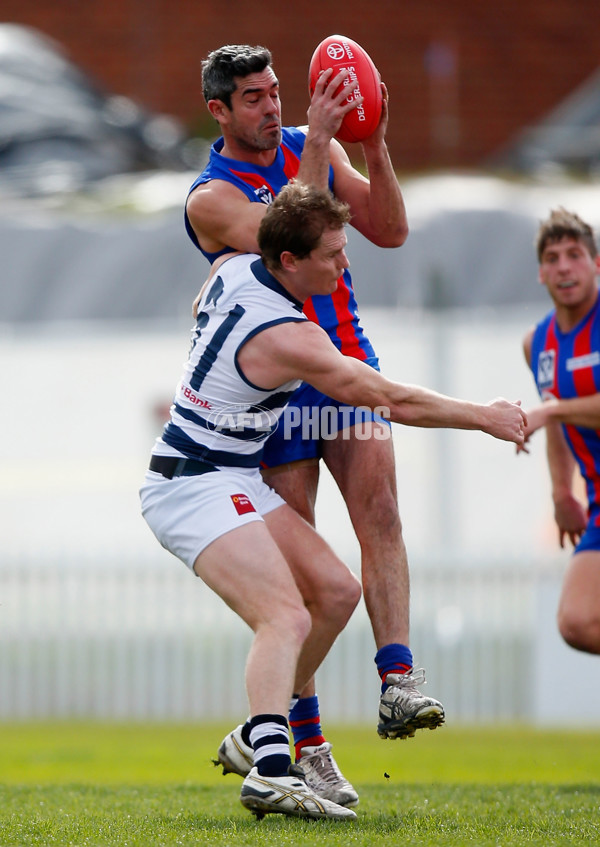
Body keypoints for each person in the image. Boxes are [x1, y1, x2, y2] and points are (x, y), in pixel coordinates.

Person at [141, 182, 526, 820]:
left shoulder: (234, 267)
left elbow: (201, 304)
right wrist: (482, 415)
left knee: (338, 593)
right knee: (286, 616)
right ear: (290, 262)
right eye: (332, 253)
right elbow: (388, 399)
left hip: (229, 474)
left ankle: (255, 733)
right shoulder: (291, 334)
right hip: (192, 482)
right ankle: (269, 770)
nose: (345, 264)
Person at [184, 43, 441, 807]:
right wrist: (326, 145)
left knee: (383, 511)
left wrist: (373, 142)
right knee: (302, 576)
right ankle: (309, 742)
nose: (273, 108)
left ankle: (397, 677)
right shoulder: (209, 195)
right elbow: (281, 239)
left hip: (347, 363)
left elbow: (390, 230)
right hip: (279, 388)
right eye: (254, 98)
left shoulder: (309, 148)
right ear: (219, 110)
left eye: (274, 92)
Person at [521, 207, 600, 654]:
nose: (564, 266)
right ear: (540, 273)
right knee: (577, 622)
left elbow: (554, 412)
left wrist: (551, 412)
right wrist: (560, 492)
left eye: (574, 254)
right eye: (552, 257)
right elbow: (558, 418)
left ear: (596, 264)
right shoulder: (538, 342)